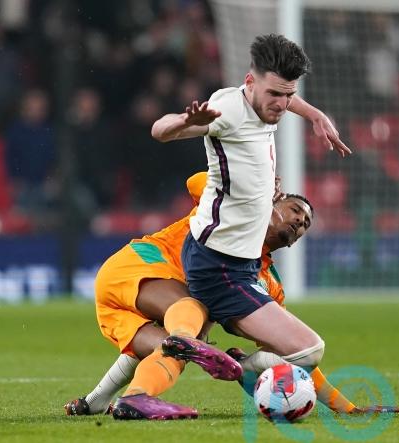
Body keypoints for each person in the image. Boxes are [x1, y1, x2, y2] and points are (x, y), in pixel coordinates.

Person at [65, 172, 399, 419]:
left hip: (122, 310)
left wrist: (347, 408)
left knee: (171, 351)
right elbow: (196, 182)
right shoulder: (231, 209)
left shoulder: (268, 284)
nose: (300, 221)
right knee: (191, 316)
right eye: (295, 210)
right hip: (138, 265)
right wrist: (253, 187)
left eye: (306, 224)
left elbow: (295, 352)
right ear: (273, 202)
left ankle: (122, 399)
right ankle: (189, 341)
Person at [145, 34, 352, 417]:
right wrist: (186, 121)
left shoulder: (270, 103)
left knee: (187, 337)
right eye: (275, 94)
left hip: (237, 263)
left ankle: (103, 399)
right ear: (250, 82)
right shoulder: (226, 109)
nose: (282, 105)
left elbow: (284, 97)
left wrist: (314, 114)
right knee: (309, 350)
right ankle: (240, 367)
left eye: (289, 95)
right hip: (218, 266)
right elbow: (159, 130)